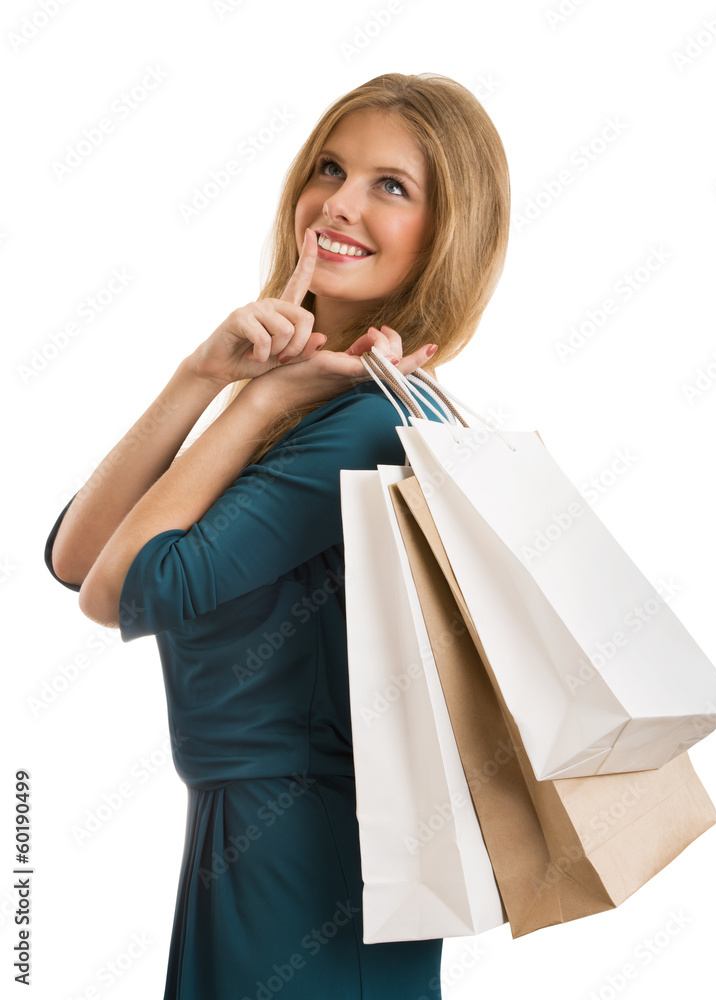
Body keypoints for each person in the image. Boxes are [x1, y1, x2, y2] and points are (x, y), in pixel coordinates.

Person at [43, 72, 510, 999]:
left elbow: (118, 591)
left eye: (392, 185)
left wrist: (255, 401)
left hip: (309, 864)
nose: (338, 204)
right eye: (331, 169)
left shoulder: (364, 426)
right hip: (250, 848)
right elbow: (76, 556)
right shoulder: (314, 405)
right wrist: (201, 376)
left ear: (445, 233)